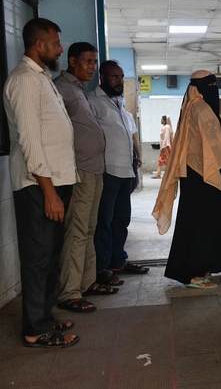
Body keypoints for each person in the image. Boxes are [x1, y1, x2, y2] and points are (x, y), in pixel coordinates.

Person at [4, 17, 79, 347]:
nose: (60, 48)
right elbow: (31, 143)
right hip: (37, 185)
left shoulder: (41, 78)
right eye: (56, 43)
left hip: (53, 183)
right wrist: (50, 193)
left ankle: (45, 316)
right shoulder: (23, 81)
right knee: (37, 259)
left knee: (50, 256)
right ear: (39, 45)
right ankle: (35, 328)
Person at [152, 70, 221, 288]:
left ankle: (201, 267)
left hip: (194, 176)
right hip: (205, 178)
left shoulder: (190, 107)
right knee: (203, 224)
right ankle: (194, 273)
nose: (214, 91)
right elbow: (216, 147)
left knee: (195, 222)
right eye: (210, 86)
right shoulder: (202, 110)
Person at [53, 42, 114, 313]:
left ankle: (86, 282)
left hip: (95, 168)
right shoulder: (61, 89)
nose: (92, 67)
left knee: (89, 229)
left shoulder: (80, 90)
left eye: (94, 62)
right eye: (88, 62)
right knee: (77, 232)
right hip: (80, 170)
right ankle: (69, 292)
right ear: (73, 60)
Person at [89, 60, 149, 286]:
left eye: (121, 77)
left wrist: (137, 157)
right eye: (114, 77)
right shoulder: (93, 103)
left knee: (122, 220)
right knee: (104, 221)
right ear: (102, 78)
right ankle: (101, 267)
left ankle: (118, 260)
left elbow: (130, 135)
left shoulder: (120, 105)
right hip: (107, 171)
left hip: (126, 171)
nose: (119, 81)